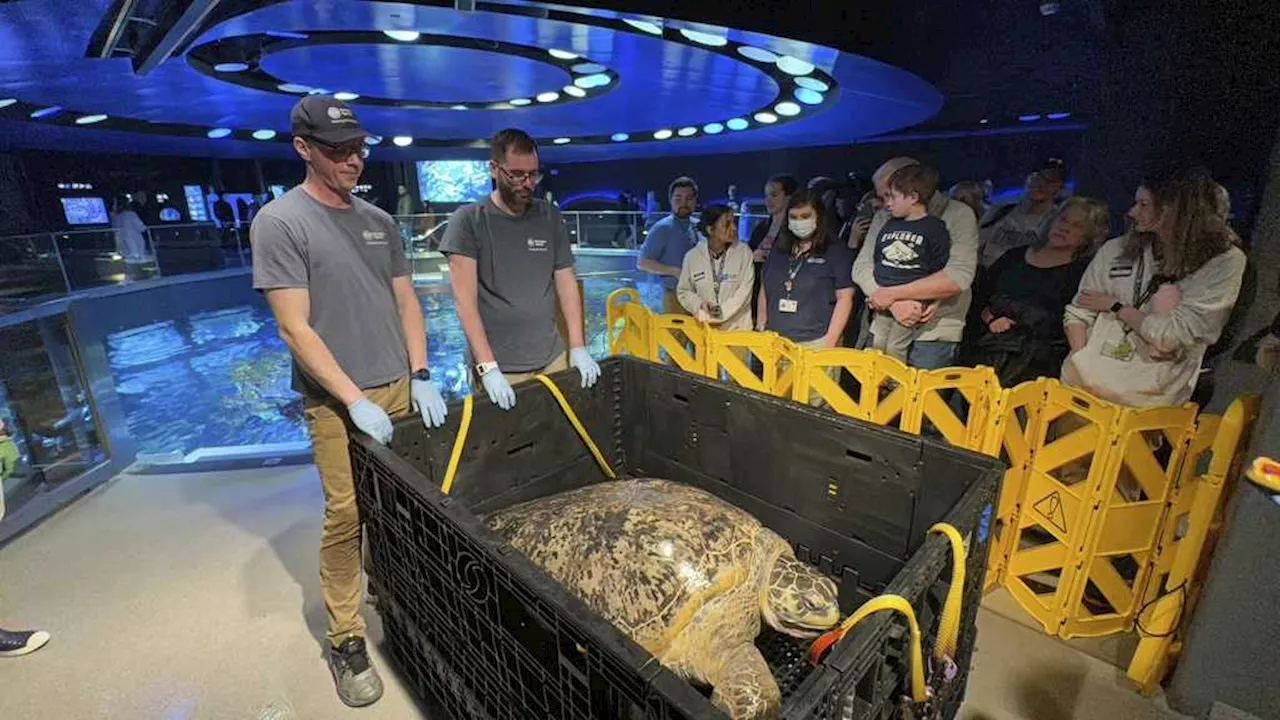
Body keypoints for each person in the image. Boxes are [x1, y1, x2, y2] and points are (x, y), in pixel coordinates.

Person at [251, 95, 448, 708]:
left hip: (398, 386)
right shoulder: (280, 222)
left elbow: (407, 300)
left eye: (358, 148)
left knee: (409, 508)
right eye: (337, 150)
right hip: (339, 402)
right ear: (303, 149)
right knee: (347, 515)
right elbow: (294, 328)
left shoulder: (379, 221)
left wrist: (421, 372)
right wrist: (351, 399)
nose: (353, 160)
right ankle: (345, 639)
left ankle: (402, 599)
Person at [441, 128, 600, 411]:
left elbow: (565, 282)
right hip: (502, 368)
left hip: (552, 358)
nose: (527, 183)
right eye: (517, 174)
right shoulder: (468, 221)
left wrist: (577, 346)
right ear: (494, 169)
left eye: (533, 175)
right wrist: (487, 368)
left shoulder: (549, 216)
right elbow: (464, 303)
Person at [1062, 172, 1247, 407]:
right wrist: (1083, 361)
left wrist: (1116, 306)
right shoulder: (1116, 249)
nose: (1132, 212)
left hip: (1145, 405)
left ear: (1174, 209)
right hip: (1079, 390)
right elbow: (1079, 311)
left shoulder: (1223, 262)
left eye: (1144, 204)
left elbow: (1172, 336)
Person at [958, 197, 1109, 385]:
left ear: (1089, 237)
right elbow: (980, 298)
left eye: (1077, 226)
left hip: (1037, 370)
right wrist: (991, 319)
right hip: (984, 355)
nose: (1065, 228)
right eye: (1063, 219)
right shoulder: (1014, 257)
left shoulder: (1084, 275)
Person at [854, 157, 980, 369]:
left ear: (913, 189)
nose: (886, 203)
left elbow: (958, 276)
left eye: (890, 195)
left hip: (934, 333)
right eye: (883, 196)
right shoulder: (885, 216)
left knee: (921, 399)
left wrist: (893, 294)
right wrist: (892, 302)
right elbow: (862, 267)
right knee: (877, 392)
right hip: (884, 319)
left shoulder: (958, 214)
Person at [756, 189, 856, 404]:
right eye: (793, 217)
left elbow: (845, 298)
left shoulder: (835, 251)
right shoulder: (780, 249)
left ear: (818, 217)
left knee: (813, 410)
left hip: (814, 343)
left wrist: (829, 343)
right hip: (776, 343)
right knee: (775, 405)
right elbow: (766, 286)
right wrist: (761, 324)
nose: (799, 222)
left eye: (805, 217)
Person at [868, 164, 952, 362]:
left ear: (913, 197)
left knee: (896, 346)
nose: (888, 203)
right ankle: (875, 386)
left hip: (912, 299)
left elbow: (940, 265)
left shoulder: (934, 227)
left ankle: (894, 387)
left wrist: (932, 299)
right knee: (878, 343)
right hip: (883, 295)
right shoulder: (890, 223)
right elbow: (878, 254)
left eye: (893, 197)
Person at [677, 205, 754, 331]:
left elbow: (744, 292)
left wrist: (719, 313)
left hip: (737, 331)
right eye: (727, 224)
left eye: (734, 222)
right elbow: (684, 291)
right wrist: (699, 305)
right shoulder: (693, 256)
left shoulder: (744, 253)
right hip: (704, 332)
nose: (734, 228)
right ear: (710, 229)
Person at [977, 160, 1067, 268]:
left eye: (1050, 181)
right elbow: (975, 242)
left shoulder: (1057, 222)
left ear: (1059, 188)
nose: (1041, 184)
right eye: (1037, 177)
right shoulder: (1000, 211)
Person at [638, 177, 700, 313]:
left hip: (698, 297)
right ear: (671, 200)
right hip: (674, 298)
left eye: (689, 198)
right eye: (678, 198)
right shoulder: (662, 228)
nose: (684, 203)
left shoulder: (698, 226)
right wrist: (675, 271)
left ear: (695, 201)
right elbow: (642, 262)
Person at [748, 174, 798, 324]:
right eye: (766, 195)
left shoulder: (794, 230)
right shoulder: (761, 228)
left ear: (789, 197)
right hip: (756, 292)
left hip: (782, 293)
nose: (768, 200)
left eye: (774, 195)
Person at [111, 194, 149, 279]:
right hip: (135, 242)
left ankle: (131, 278)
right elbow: (142, 227)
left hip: (123, 243)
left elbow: (115, 229)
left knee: (129, 262)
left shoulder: (116, 216)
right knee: (138, 261)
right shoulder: (130, 214)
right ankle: (141, 278)